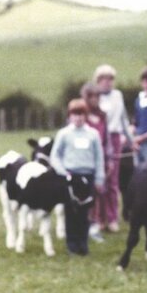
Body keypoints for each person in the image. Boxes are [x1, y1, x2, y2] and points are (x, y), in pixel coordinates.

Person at [50, 99, 105, 256]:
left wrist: (99, 178)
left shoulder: (93, 134)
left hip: (88, 175)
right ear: (70, 116)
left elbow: (99, 157)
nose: (78, 118)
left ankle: (83, 243)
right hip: (70, 176)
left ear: (85, 116)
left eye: (81, 115)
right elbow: (55, 156)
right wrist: (63, 172)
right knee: (71, 211)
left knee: (84, 211)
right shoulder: (64, 134)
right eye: (75, 115)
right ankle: (72, 244)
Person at [95, 64, 132, 233]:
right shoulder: (94, 97)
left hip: (115, 138)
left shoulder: (118, 96)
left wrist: (131, 141)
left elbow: (124, 119)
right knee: (99, 180)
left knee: (113, 182)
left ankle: (112, 218)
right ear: (98, 81)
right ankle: (99, 218)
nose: (108, 83)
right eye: (104, 79)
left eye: (110, 79)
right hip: (98, 139)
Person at [80, 82, 109, 242]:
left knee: (99, 193)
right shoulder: (80, 116)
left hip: (100, 159)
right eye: (91, 96)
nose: (95, 100)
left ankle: (96, 225)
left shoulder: (103, 116)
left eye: (97, 96)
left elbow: (107, 139)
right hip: (83, 160)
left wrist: (108, 159)